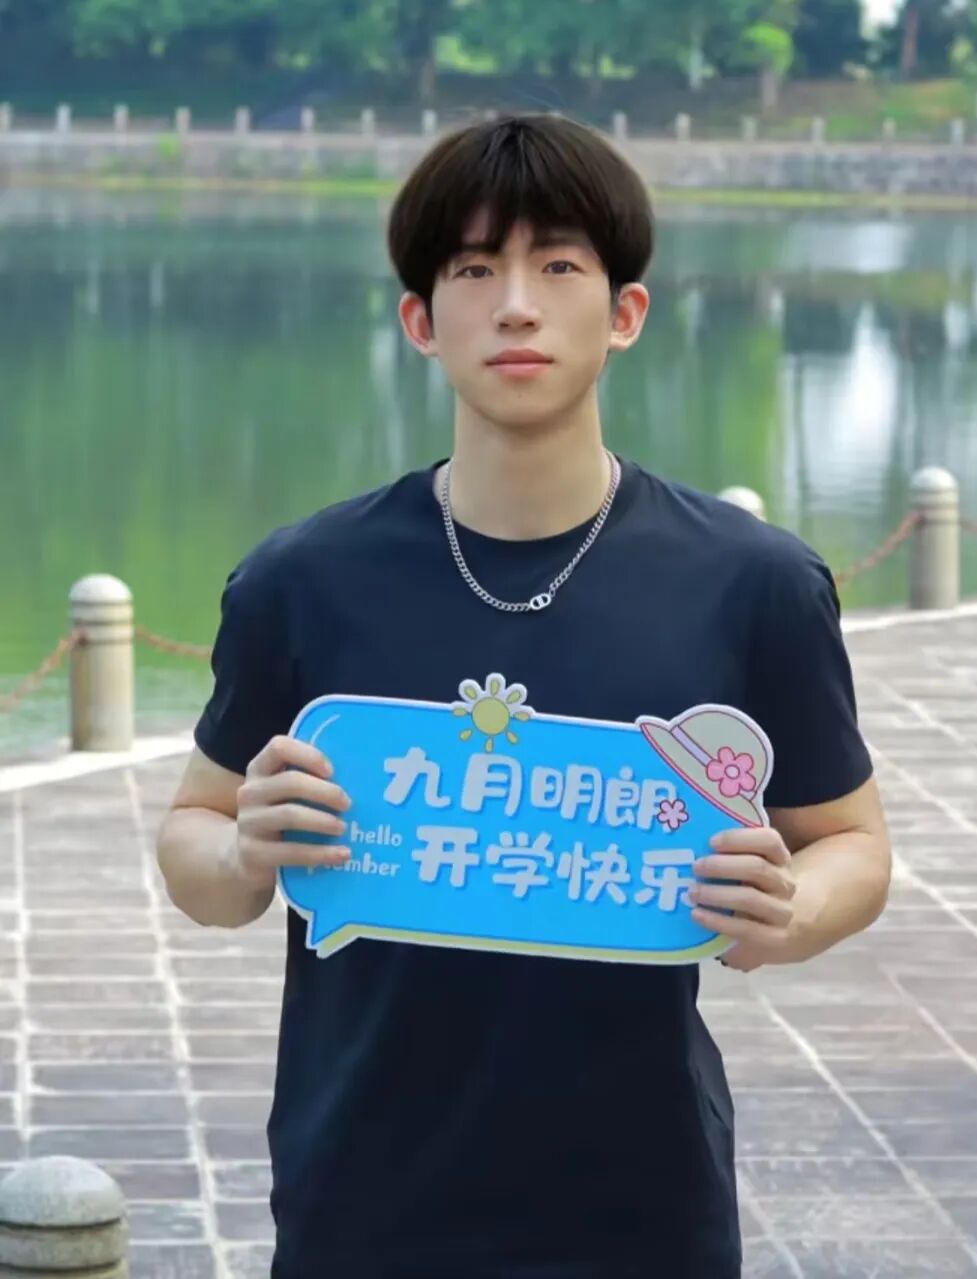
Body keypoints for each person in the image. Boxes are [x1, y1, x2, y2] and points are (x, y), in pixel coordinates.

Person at [156, 112, 891, 1279]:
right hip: (364, 1197)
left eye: (557, 266)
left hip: (641, 1204)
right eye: (472, 270)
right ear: (420, 320)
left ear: (626, 312)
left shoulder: (751, 583)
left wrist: (793, 908)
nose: (515, 305)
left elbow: (853, 840)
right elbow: (193, 837)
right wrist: (245, 853)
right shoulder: (304, 580)